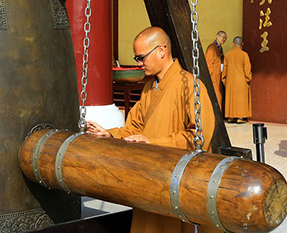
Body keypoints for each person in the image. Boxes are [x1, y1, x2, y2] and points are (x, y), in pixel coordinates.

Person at [87, 27, 219, 233]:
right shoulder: (150, 88)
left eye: (141, 58)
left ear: (161, 50)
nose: (139, 64)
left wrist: (154, 144)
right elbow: (134, 127)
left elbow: (199, 137)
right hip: (150, 178)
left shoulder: (190, 86)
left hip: (176, 181)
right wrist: (110, 133)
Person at [222, 36, 252, 123]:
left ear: (233, 44)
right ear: (242, 44)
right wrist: (248, 79)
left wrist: (225, 81)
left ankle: (231, 117)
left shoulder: (227, 55)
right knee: (240, 100)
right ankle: (240, 117)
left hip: (230, 82)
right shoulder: (244, 55)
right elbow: (247, 70)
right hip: (241, 82)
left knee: (231, 99)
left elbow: (224, 71)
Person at [205, 31, 227, 112]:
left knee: (219, 95)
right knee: (215, 95)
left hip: (219, 75)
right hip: (213, 76)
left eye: (225, 38)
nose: (223, 39)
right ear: (217, 36)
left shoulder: (220, 48)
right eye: (222, 37)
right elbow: (209, 63)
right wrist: (209, 77)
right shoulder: (212, 47)